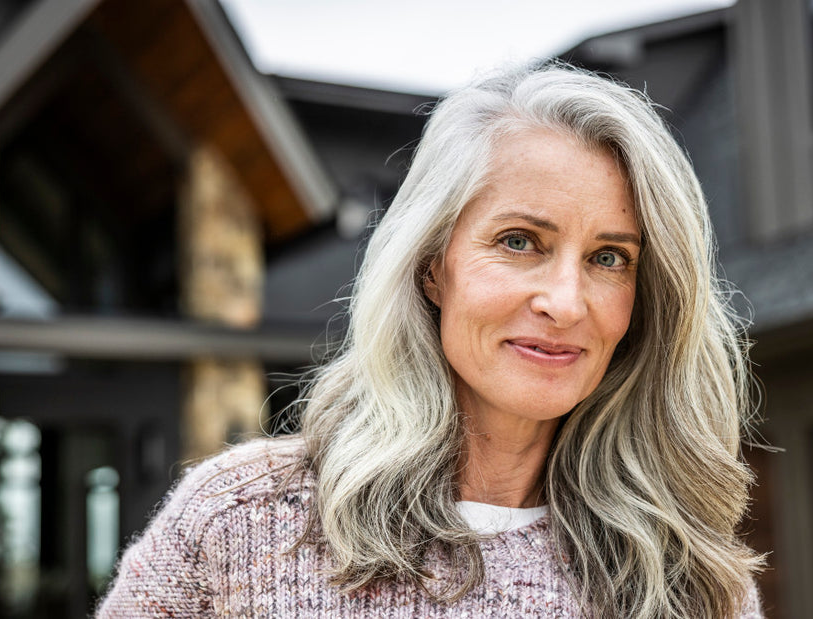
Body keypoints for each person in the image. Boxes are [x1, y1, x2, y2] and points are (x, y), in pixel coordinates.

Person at [97, 63, 764, 618]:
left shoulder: (692, 572)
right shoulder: (240, 517)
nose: (565, 302)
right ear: (431, 267)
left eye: (610, 257)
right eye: (519, 241)